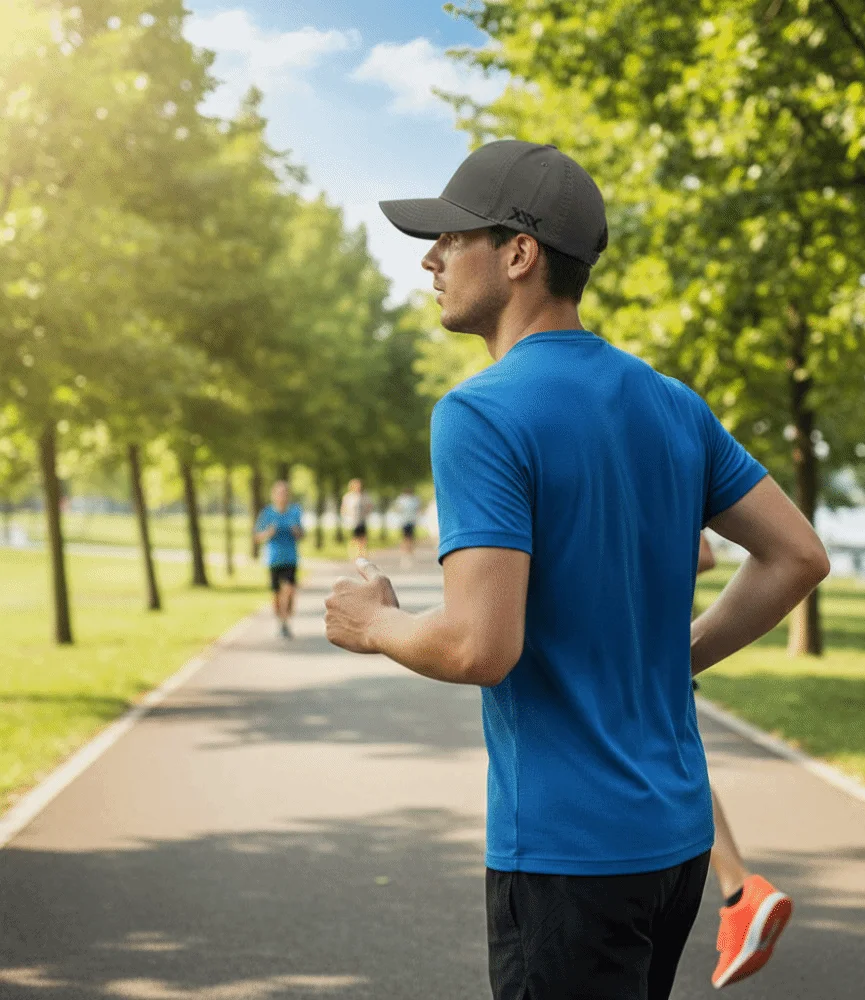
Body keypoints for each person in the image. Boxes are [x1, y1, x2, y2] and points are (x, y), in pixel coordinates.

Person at [323, 139, 829, 1000]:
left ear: (519, 255)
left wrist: (374, 623)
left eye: (452, 237)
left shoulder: (480, 414)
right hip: (674, 844)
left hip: (567, 856)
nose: (430, 257)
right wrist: (678, 655)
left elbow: (481, 647)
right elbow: (797, 555)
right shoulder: (674, 404)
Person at [696, 532, 793, 989]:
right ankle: (739, 893)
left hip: (617, 649)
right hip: (656, 646)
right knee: (675, 761)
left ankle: (739, 890)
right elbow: (701, 555)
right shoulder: (675, 457)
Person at [254, 480, 303, 640]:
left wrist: (296, 531)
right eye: (279, 493)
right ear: (274, 495)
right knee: (276, 595)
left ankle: (286, 620)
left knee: (289, 591)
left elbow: (302, 535)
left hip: (290, 558)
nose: (282, 496)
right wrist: (268, 533)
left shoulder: (295, 512)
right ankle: (281, 622)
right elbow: (257, 537)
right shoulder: (267, 513)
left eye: (285, 493)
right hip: (273, 559)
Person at [340, 479, 373, 560]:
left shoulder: (364, 496)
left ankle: (362, 555)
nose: (358, 487)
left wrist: (366, 513)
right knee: (354, 538)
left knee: (363, 538)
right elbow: (343, 509)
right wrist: (347, 515)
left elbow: (370, 506)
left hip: (361, 520)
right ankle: (354, 554)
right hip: (352, 522)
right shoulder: (348, 497)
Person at [393, 487, 423, 569]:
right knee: (405, 539)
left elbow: (418, 509)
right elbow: (397, 509)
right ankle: (404, 556)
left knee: (411, 539)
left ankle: (410, 555)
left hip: (411, 522)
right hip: (404, 522)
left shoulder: (415, 499)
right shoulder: (401, 499)